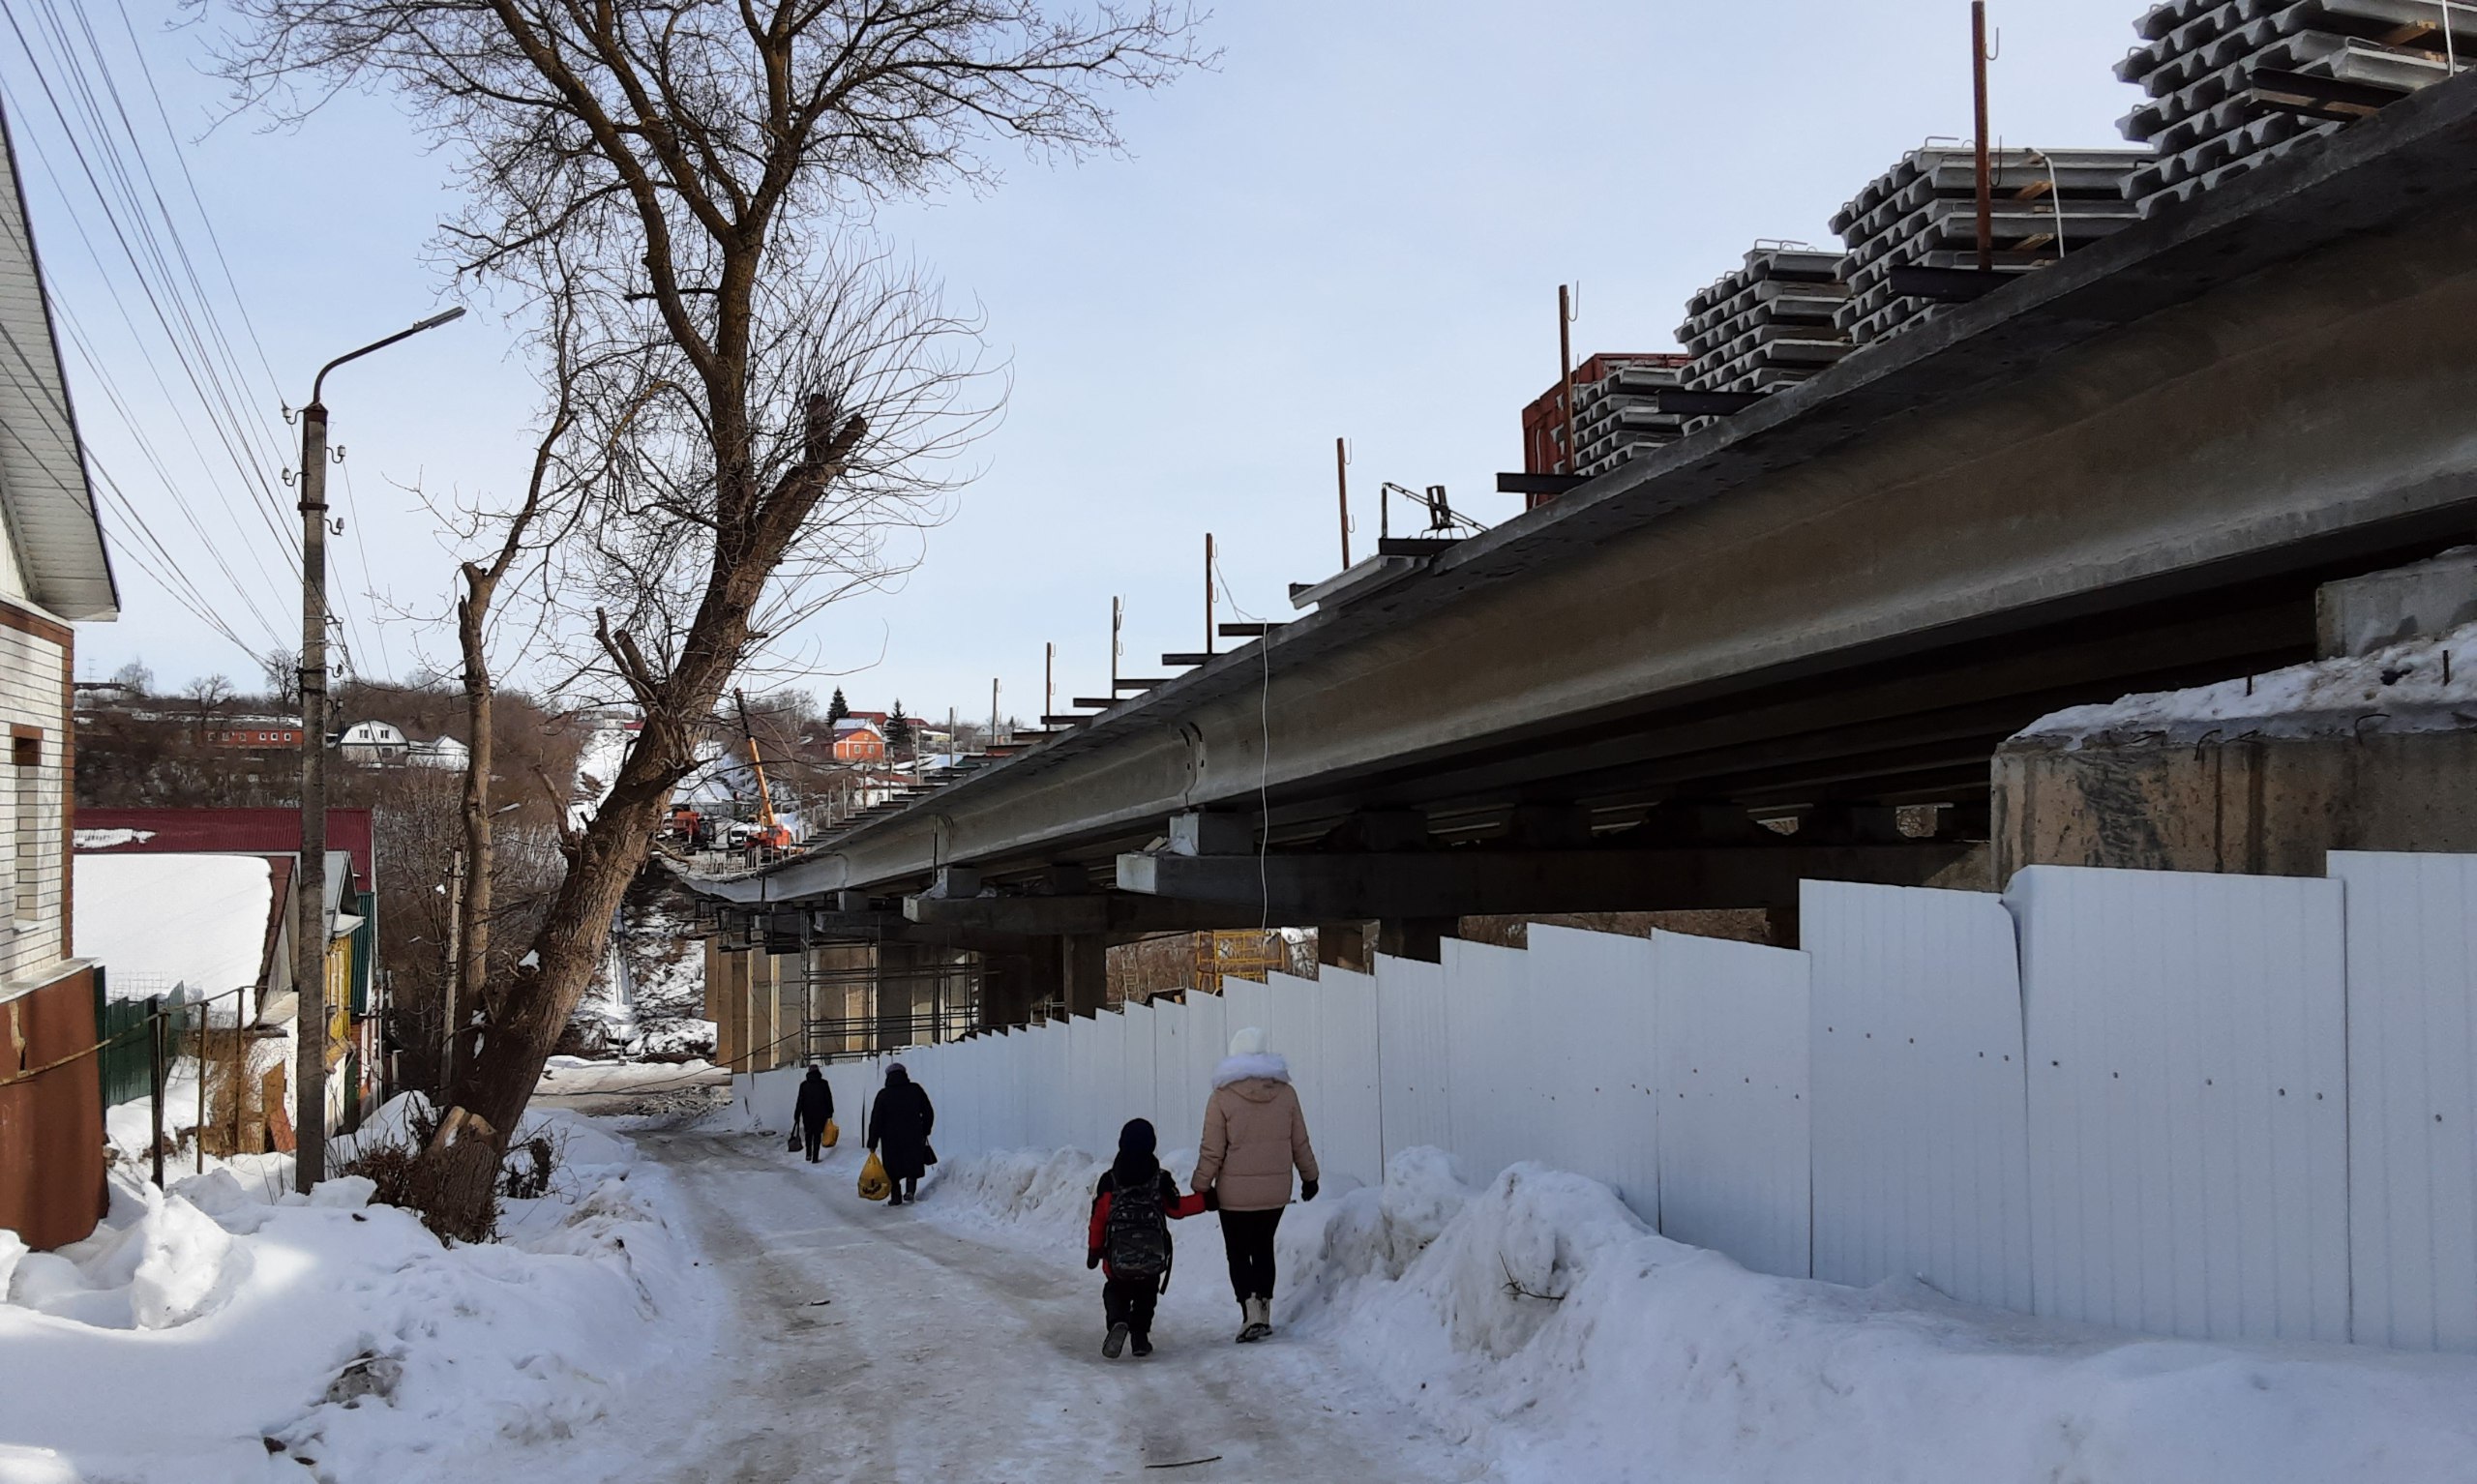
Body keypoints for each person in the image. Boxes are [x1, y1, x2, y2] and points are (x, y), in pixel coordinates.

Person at [1191, 1025, 1319, 1343]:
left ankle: (1249, 1310)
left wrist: (1201, 1185)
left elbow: (1212, 1149)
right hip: (1275, 1192)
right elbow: (1299, 1140)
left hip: (1233, 1193)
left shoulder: (1221, 1096)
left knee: (1238, 1251)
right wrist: (1310, 1177)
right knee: (1263, 1247)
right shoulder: (1286, 1093)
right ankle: (1264, 1306)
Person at [1086, 1117, 1208, 1358]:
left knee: (1114, 1290)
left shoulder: (1109, 1181)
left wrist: (1094, 1250)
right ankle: (1140, 1336)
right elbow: (1177, 1209)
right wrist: (1207, 1201)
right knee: (1147, 1293)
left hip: (1116, 1259)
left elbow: (1099, 1218)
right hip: (1152, 1256)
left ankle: (1118, 1322)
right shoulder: (1159, 1178)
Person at [867, 1061, 936, 1206]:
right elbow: (928, 1111)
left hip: (890, 1138)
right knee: (912, 1163)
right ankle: (910, 1190)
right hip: (913, 1134)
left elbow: (876, 1120)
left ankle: (896, 1196)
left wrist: (872, 1142)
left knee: (893, 1168)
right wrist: (925, 1129)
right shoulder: (915, 1090)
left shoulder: (884, 1095)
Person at [792, 1065, 834, 1163]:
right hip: (821, 1114)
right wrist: (830, 1112)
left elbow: (800, 1101)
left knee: (808, 1134)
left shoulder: (804, 1085)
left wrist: (797, 1114)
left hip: (807, 1114)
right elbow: (828, 1098)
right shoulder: (824, 1084)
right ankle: (815, 1157)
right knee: (817, 1135)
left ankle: (808, 1154)